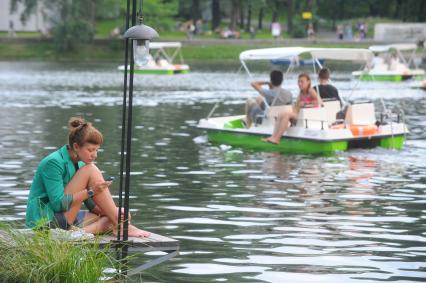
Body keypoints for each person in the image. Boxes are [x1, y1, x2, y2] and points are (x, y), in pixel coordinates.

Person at [25, 117, 150, 237]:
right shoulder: (53, 162)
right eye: (90, 150)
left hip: (65, 220)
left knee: (115, 217)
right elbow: (58, 204)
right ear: (76, 146)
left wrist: (112, 212)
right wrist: (91, 191)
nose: (95, 155)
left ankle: (77, 234)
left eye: (97, 150)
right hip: (45, 223)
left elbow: (91, 205)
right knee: (91, 169)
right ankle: (123, 227)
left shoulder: (80, 163)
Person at [263, 73, 322, 144]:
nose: (300, 84)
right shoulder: (301, 92)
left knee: (287, 115)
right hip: (300, 114)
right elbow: (296, 106)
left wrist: (306, 104)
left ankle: (277, 138)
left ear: (308, 82)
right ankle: (273, 136)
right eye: (298, 82)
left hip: (309, 115)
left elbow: (319, 102)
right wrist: (293, 113)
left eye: (302, 81)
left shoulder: (310, 90)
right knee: (281, 114)